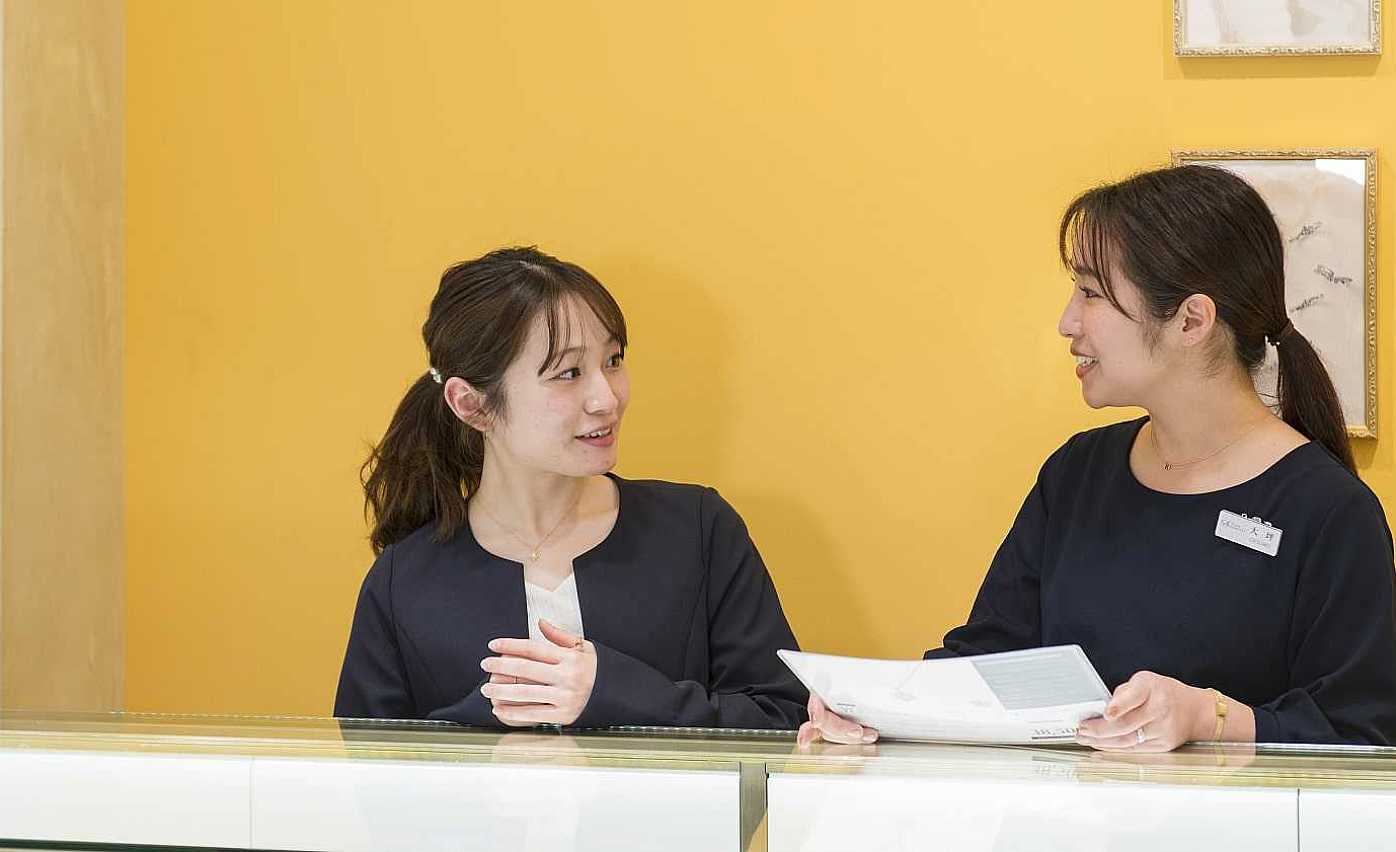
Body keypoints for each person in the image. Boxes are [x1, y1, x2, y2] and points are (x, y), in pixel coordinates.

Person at [799, 165, 1396, 750]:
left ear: (1191, 320)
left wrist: (1210, 718)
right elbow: (989, 659)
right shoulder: (1077, 473)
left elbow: (1362, 734)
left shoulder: (1329, 512)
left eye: (1090, 293)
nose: (1067, 323)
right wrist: (874, 712)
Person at [335, 246, 806, 729]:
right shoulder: (402, 581)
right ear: (471, 404)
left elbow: (782, 717)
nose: (607, 398)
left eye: (613, 360)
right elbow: (364, 765)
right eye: (569, 373)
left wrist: (616, 692)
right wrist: (501, 711)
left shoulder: (699, 530)